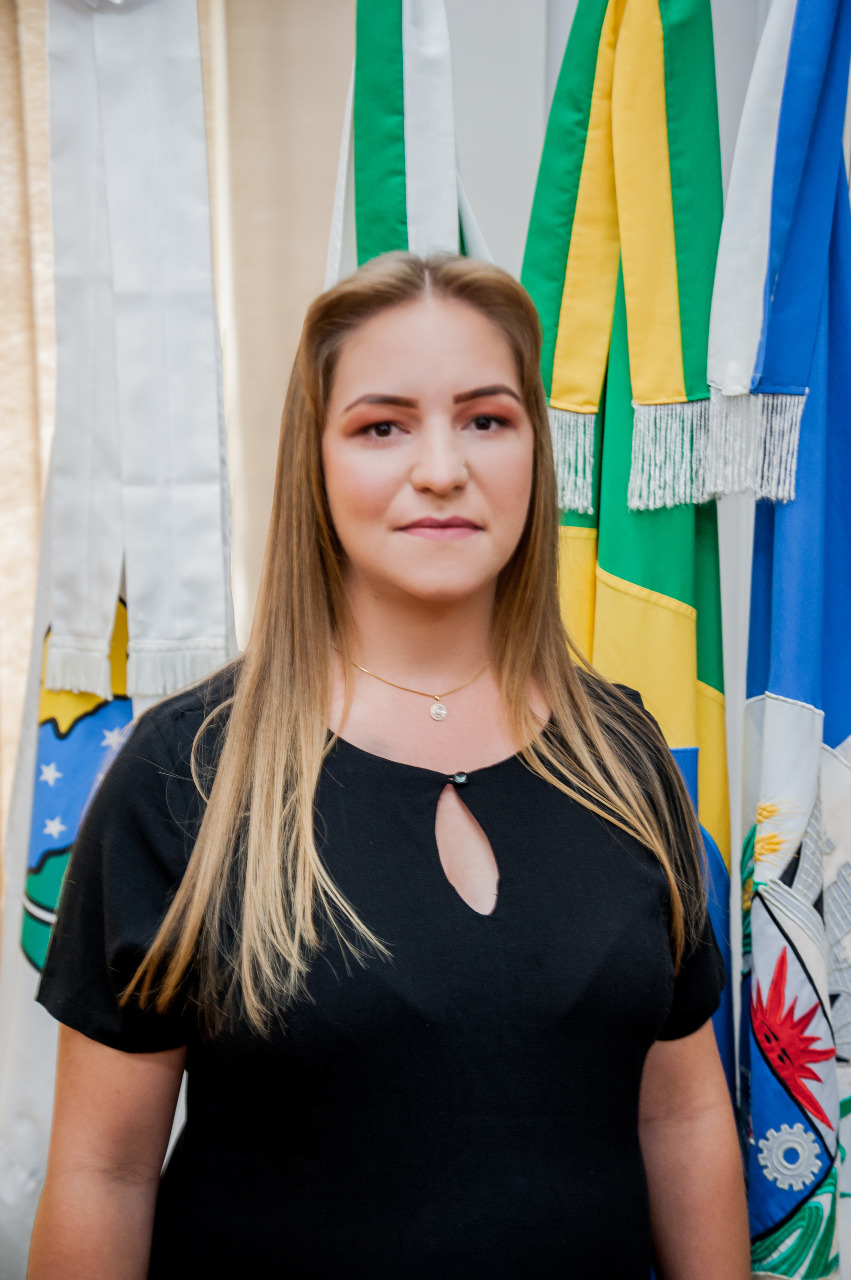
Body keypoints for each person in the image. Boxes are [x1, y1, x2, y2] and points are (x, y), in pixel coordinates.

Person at [28, 252, 750, 1279]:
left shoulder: (622, 755)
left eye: (486, 419)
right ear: (315, 461)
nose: (442, 468)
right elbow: (104, 1171)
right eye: (382, 426)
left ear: (535, 452)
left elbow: (678, 1114)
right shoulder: (188, 775)